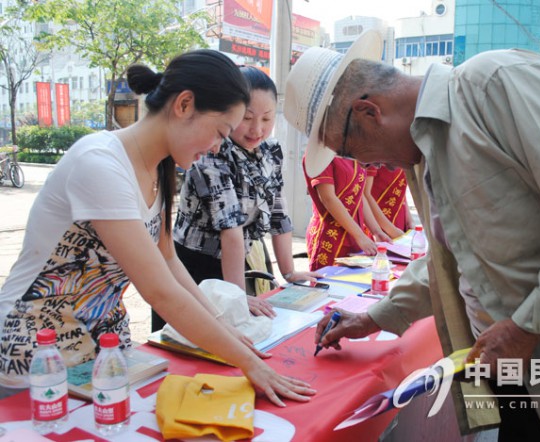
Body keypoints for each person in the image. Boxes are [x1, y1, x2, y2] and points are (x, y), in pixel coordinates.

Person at [283, 30, 540, 440]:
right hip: (514, 369)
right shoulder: (424, 155)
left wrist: (526, 328)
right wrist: (374, 317)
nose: (374, 167)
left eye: (352, 152)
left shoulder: (497, 83)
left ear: (370, 112)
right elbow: (454, 264)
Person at [0, 49, 315, 407]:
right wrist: (247, 363)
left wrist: (223, 326)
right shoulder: (100, 163)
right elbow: (159, 290)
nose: (216, 146)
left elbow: (168, 260)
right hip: (36, 354)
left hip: (100, 353)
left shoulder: (159, 169)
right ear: (184, 104)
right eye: (219, 132)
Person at [173, 66, 320, 320]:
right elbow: (230, 228)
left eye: (267, 119)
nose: (257, 130)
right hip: (196, 263)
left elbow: (278, 212)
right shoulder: (212, 149)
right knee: (203, 334)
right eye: (247, 118)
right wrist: (237, 296)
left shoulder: (271, 150)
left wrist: (289, 273)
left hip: (239, 258)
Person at [303, 155, 390, 271]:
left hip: (355, 235)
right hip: (330, 237)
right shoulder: (320, 153)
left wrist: (376, 231)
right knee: (329, 284)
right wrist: (360, 236)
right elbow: (328, 198)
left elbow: (358, 196)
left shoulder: (352, 154)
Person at [364, 165, 414, 239]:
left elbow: (400, 189)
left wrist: (409, 221)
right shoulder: (373, 157)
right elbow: (365, 194)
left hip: (400, 220)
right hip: (378, 223)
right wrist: (392, 231)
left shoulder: (403, 155)